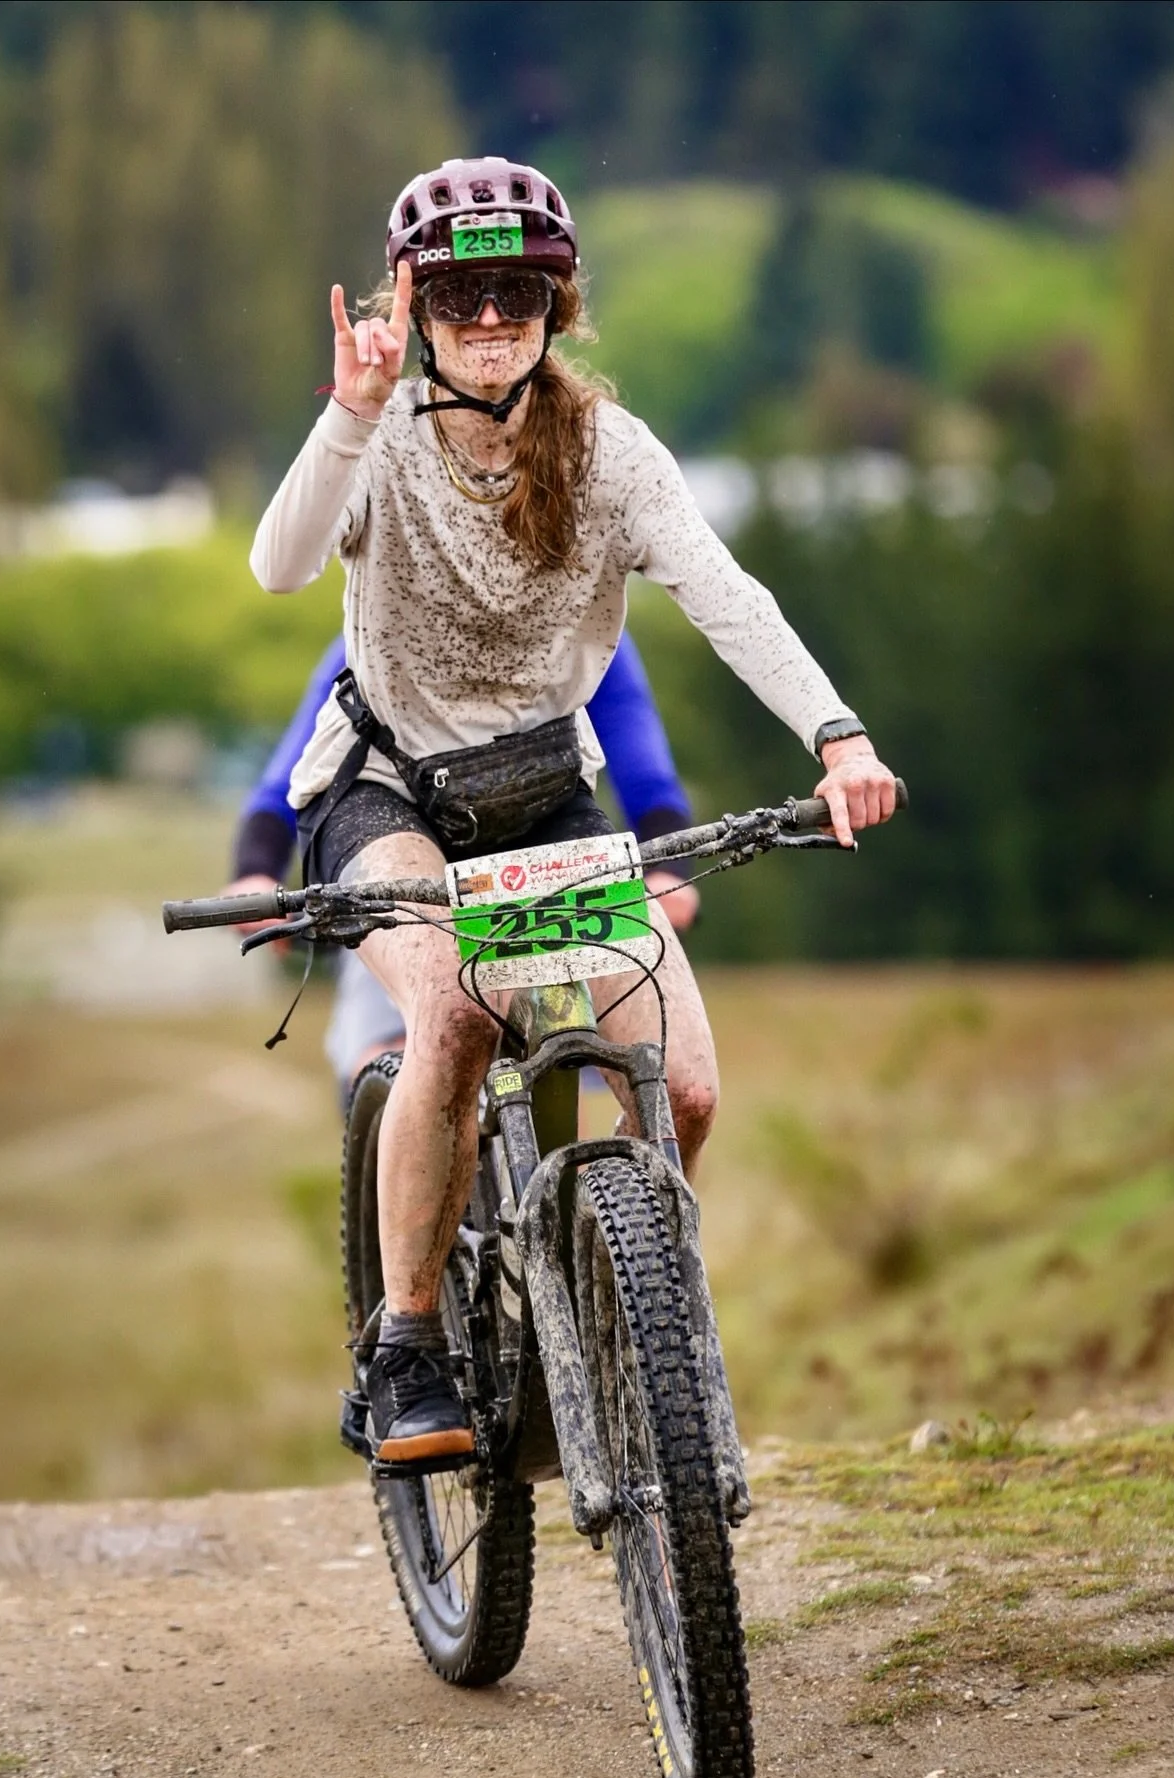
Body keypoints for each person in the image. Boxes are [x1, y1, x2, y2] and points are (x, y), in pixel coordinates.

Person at [249, 156, 896, 1468]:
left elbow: (728, 598)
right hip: (386, 791)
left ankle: (618, 1301)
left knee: (691, 1087)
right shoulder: (375, 436)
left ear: (560, 305)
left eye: (521, 293)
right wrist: (349, 413)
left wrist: (837, 732)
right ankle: (411, 1340)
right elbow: (279, 566)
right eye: (463, 295)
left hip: (546, 797)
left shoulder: (608, 453)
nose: (492, 320)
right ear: (415, 305)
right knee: (452, 1011)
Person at [228, 629, 699, 1089]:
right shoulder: (380, 624)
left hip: (519, 865)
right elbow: (295, 775)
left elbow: (646, 772)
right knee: (397, 1048)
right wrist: (257, 868)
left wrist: (665, 874)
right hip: (399, 862)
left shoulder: (590, 630)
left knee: (561, 1054)